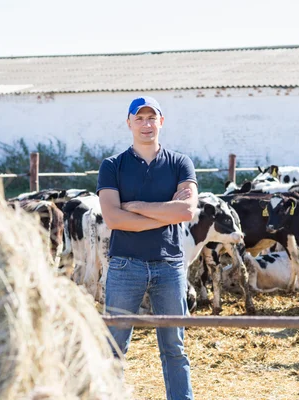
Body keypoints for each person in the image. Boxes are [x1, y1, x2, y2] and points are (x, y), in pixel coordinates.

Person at [96, 96, 198, 400]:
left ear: (161, 122)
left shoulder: (181, 163)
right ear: (129, 123)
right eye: (139, 118)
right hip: (125, 265)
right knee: (114, 346)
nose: (146, 124)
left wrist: (138, 207)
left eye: (152, 117)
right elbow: (113, 218)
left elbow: (187, 212)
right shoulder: (112, 165)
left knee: (174, 348)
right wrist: (165, 211)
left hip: (169, 265)